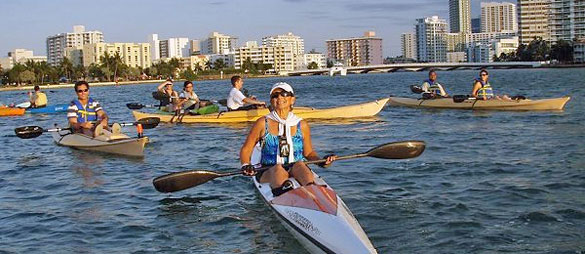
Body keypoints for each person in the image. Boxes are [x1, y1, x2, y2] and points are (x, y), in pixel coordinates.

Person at [239, 82, 337, 196]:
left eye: (284, 94)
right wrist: (245, 165)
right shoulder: (262, 123)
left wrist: (322, 162)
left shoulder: (302, 124)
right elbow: (246, 149)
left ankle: (312, 190)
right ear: (271, 101)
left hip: (295, 166)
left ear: (292, 99)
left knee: (301, 165)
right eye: (275, 95)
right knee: (278, 169)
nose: (279, 97)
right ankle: (283, 193)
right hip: (268, 170)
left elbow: (309, 152)